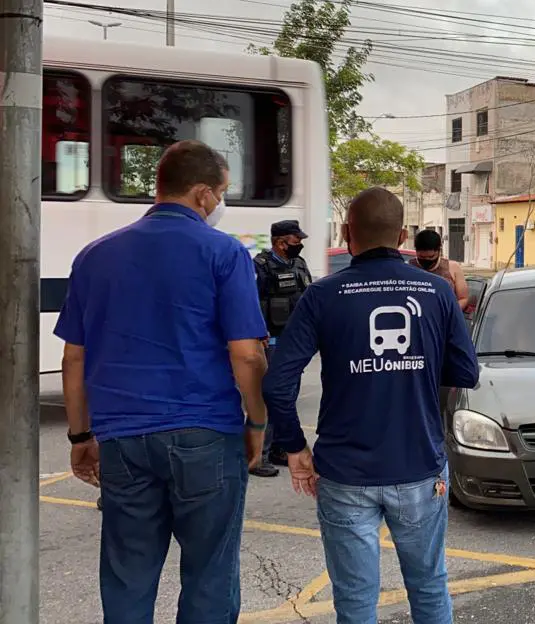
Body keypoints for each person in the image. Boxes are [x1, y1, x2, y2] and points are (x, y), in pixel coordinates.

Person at [54, 139, 269, 622]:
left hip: (122, 440)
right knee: (210, 575)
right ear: (200, 194)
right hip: (206, 436)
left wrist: (80, 434)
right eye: (220, 192)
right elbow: (248, 355)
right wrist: (256, 421)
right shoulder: (225, 253)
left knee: (128, 574)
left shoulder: (95, 255)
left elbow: (74, 357)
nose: (220, 203)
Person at [262, 186, 479, 624]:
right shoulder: (436, 292)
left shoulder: (322, 296)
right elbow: (466, 373)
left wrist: (294, 448)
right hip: (419, 465)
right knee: (429, 586)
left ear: (347, 232)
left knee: (356, 600)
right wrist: (415, 366)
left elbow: (278, 381)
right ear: (402, 235)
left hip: (344, 474)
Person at [251, 219, 314, 477]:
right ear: (280, 242)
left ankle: (278, 448)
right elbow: (250, 302)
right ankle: (258, 456)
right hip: (271, 342)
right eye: (295, 241)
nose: (299, 245)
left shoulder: (299, 265)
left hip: (294, 342)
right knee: (269, 398)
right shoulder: (260, 266)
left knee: (287, 398)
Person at [410, 229, 469, 311]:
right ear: (416, 251)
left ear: (439, 251)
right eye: (422, 257)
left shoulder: (452, 267)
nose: (426, 260)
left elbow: (463, 298)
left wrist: (450, 313)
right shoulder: (408, 268)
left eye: (431, 257)